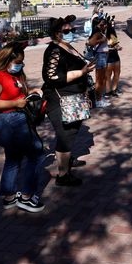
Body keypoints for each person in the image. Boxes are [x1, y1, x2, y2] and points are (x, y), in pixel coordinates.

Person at [0, 43, 46, 212]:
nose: (20, 65)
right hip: (6, 120)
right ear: (6, 60)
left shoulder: (10, 75)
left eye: (21, 62)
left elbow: (15, 91)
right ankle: (27, 197)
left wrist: (30, 92)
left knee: (13, 157)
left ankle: (9, 196)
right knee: (36, 153)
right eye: (17, 62)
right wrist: (16, 103)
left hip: (13, 119)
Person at [43, 16, 96, 186]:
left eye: (72, 30)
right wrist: (82, 72)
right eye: (66, 31)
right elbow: (51, 76)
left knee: (70, 132)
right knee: (66, 135)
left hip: (73, 98)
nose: (71, 33)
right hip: (61, 100)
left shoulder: (66, 46)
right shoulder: (54, 50)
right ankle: (63, 175)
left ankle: (67, 160)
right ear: (57, 34)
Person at [87, 16, 111, 108]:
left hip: (103, 56)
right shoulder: (97, 33)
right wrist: (102, 40)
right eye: (102, 24)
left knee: (103, 78)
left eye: (105, 24)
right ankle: (98, 100)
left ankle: (100, 97)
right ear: (97, 25)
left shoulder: (101, 32)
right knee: (99, 80)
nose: (104, 26)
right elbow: (90, 43)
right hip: (100, 56)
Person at [103, 15, 123, 97]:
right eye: (112, 24)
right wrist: (110, 47)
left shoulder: (113, 34)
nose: (113, 25)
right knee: (108, 75)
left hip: (115, 56)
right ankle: (108, 91)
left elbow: (116, 44)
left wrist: (118, 47)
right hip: (108, 58)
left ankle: (114, 90)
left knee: (117, 74)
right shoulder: (103, 35)